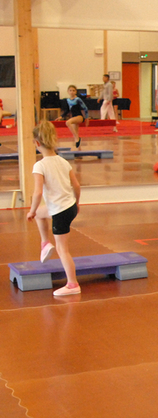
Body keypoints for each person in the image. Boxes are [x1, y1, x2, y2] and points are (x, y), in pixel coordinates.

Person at [26, 121, 82, 296]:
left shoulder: (40, 165)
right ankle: (44, 243)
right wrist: (77, 203)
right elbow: (77, 185)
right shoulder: (63, 161)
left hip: (60, 211)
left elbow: (37, 193)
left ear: (36, 143)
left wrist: (31, 210)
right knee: (41, 215)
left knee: (62, 249)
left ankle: (73, 285)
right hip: (70, 206)